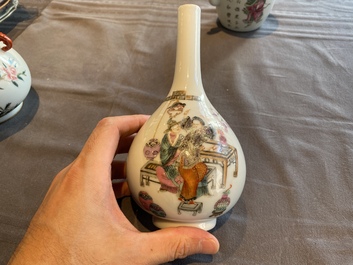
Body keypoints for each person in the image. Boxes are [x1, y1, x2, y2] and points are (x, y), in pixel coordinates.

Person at [8, 115, 219, 265]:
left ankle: (191, 195)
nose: (177, 131)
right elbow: (167, 157)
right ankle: (187, 196)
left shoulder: (188, 138)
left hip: (183, 163)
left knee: (199, 170)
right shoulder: (170, 138)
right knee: (189, 175)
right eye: (180, 128)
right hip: (172, 165)